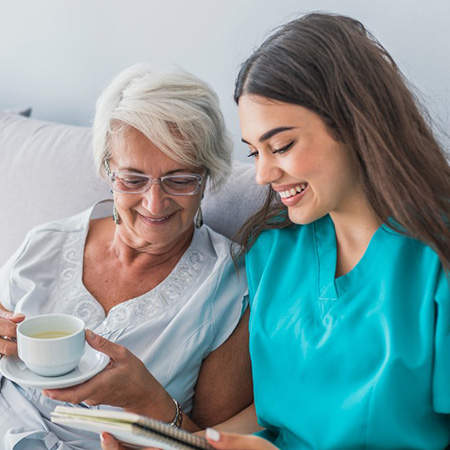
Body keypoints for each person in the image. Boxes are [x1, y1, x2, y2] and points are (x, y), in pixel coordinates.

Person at [102, 11, 450, 450]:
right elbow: (269, 417)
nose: (264, 175)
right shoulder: (272, 252)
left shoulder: (435, 260)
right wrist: (183, 442)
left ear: (354, 123)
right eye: (254, 153)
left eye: (281, 146)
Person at [0, 65, 253, 449]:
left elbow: (216, 445)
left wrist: (145, 399)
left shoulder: (229, 287)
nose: (154, 203)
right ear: (107, 171)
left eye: (181, 180)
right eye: (133, 180)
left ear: (207, 177)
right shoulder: (44, 246)